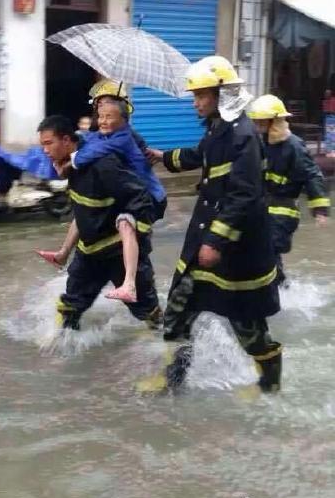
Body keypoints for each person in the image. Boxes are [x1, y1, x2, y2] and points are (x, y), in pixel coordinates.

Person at [146, 56, 282, 394]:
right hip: (204, 240)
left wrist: (216, 241)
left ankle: (269, 382)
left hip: (235, 249)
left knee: (246, 323)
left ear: (221, 93)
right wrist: (162, 156)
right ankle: (173, 379)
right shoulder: (219, 129)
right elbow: (199, 156)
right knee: (179, 309)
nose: (195, 102)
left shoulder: (243, 134)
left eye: (201, 95)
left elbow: (245, 195)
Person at [38, 115, 163, 331]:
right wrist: (64, 251)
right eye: (42, 145)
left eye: (49, 144)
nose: (45, 151)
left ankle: (171, 351)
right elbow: (83, 211)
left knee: (149, 312)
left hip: (117, 253)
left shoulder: (103, 165)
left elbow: (139, 198)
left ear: (67, 141)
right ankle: (59, 353)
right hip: (88, 253)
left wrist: (135, 234)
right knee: (69, 308)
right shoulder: (73, 165)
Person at [71, 96, 166, 303]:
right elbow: (90, 139)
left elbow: (84, 156)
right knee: (84, 208)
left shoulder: (121, 139)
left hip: (148, 198)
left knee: (125, 223)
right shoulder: (107, 135)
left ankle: (129, 284)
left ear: (123, 120)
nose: (103, 121)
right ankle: (62, 252)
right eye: (100, 116)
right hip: (129, 194)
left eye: (109, 117)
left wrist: (72, 158)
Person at [248, 94, 330, 288]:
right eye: (256, 121)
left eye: (261, 121)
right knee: (262, 252)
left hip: (283, 211)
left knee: (269, 251)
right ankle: (280, 289)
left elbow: (312, 175)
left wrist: (320, 210)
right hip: (264, 208)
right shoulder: (263, 142)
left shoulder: (293, 145)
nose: (257, 125)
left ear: (273, 121)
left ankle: (278, 291)